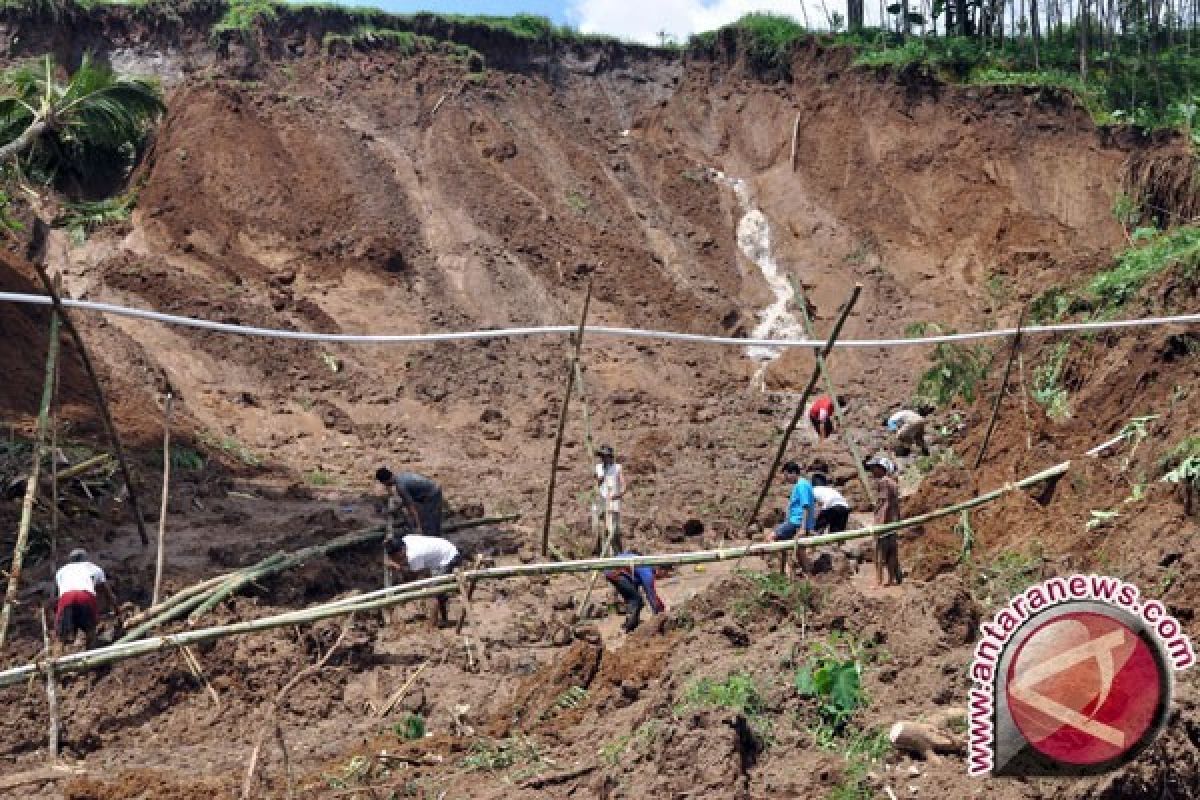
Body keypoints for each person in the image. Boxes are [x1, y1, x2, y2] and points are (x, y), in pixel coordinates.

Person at [385, 533, 462, 629]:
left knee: (434, 592)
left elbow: (415, 577)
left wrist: (398, 567)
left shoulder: (414, 555)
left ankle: (432, 625)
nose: (396, 560)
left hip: (449, 558)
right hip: (442, 552)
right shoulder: (405, 540)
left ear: (401, 551)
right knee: (437, 589)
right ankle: (443, 619)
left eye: (396, 558)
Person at [54, 548, 118, 652]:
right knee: (90, 631)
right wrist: (116, 610)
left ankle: (55, 662)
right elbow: (107, 593)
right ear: (86, 559)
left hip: (66, 598)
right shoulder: (94, 568)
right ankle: (90, 656)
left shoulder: (61, 571)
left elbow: (62, 590)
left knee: (61, 636)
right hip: (85, 597)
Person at [765, 461, 815, 577]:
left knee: (771, 538)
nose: (786, 478)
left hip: (796, 522)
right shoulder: (802, 484)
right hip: (796, 521)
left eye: (786, 475)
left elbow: (806, 506)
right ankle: (808, 574)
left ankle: (787, 571)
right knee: (800, 551)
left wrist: (802, 528)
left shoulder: (801, 485)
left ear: (793, 473)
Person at [604, 551, 666, 633]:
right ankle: (628, 627)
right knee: (636, 601)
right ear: (659, 570)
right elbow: (651, 595)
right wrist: (660, 614)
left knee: (634, 600)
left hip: (615, 569)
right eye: (664, 574)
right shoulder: (647, 573)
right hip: (614, 570)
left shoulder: (644, 567)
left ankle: (632, 623)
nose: (663, 577)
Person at [866, 457, 903, 586]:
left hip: (884, 522)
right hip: (892, 522)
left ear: (881, 468)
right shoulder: (893, 483)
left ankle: (878, 581)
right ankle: (891, 579)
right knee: (892, 551)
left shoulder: (883, 482)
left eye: (874, 467)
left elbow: (884, 504)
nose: (872, 470)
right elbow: (896, 504)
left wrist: (878, 524)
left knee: (879, 552)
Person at [376, 467, 444, 537]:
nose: (384, 485)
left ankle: (433, 539)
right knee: (429, 520)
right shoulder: (401, 476)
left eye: (383, 483)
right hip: (431, 491)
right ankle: (434, 535)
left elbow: (411, 508)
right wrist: (396, 509)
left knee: (430, 523)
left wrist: (418, 527)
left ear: (384, 481)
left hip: (432, 495)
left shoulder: (400, 486)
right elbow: (406, 501)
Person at [595, 445, 626, 553]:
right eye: (602, 456)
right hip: (602, 500)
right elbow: (596, 484)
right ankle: (603, 551)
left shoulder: (617, 467)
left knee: (613, 528)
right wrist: (601, 477)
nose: (604, 459)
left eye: (605, 456)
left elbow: (623, 484)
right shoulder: (599, 467)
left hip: (613, 501)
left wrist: (619, 494)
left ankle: (617, 552)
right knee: (602, 527)